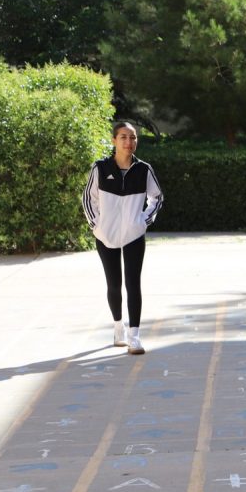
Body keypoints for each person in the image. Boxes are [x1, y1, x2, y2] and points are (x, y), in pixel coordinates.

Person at [81, 122, 163, 355]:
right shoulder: (100, 168)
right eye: (124, 137)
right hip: (105, 235)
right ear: (114, 141)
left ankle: (134, 336)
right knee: (114, 283)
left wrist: (143, 221)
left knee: (133, 283)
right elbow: (88, 198)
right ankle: (119, 327)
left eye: (133, 137)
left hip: (134, 235)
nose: (129, 142)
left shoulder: (144, 170)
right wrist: (97, 226)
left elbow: (157, 197)